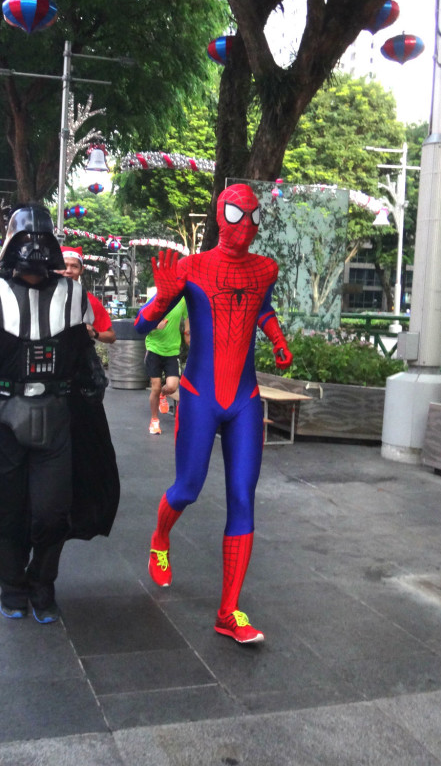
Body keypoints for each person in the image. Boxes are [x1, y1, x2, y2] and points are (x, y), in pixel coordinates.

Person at [135, 184, 292, 645]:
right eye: (234, 214)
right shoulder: (192, 268)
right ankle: (160, 538)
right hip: (201, 394)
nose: (244, 225)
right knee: (188, 487)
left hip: (244, 398)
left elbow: (260, 307)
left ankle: (229, 611)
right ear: (220, 217)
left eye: (251, 216)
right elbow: (142, 325)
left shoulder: (266, 269)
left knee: (243, 496)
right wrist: (163, 300)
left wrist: (278, 340)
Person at [0, 204, 119, 623]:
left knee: (51, 509)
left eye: (40, 240)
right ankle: (12, 585)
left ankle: (42, 582)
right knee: (5, 507)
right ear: (11, 245)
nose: (32, 248)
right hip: (2, 414)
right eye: (24, 240)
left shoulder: (73, 294)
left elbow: (82, 349)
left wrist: (91, 376)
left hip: (58, 414)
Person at [143, 297, 189, 434]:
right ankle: (154, 420)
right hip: (154, 348)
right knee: (155, 387)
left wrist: (188, 334)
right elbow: (141, 325)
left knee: (172, 386)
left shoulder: (181, 300)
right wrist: (155, 326)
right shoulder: (155, 300)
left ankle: (163, 394)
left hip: (172, 350)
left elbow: (187, 319)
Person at [60, 246, 116, 344]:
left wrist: (94, 333)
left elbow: (111, 336)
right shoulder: (41, 295)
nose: (68, 270)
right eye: (64, 266)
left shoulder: (88, 300)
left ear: (81, 270)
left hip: (78, 357)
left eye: (74, 266)